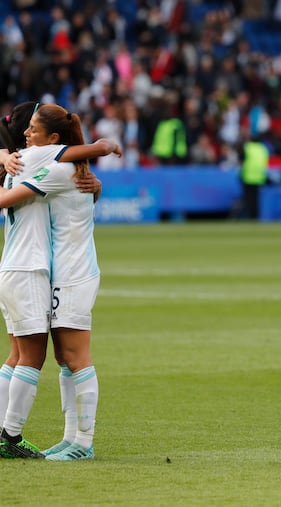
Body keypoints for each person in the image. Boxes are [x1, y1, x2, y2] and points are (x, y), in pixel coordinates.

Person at [0, 102, 120, 459]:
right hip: (46, 270)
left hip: (70, 272)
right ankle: (70, 439)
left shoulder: (48, 165)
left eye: (32, 130)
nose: (25, 136)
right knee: (58, 358)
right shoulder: (51, 164)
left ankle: (80, 442)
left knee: (72, 357)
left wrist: (102, 150)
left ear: (52, 139)